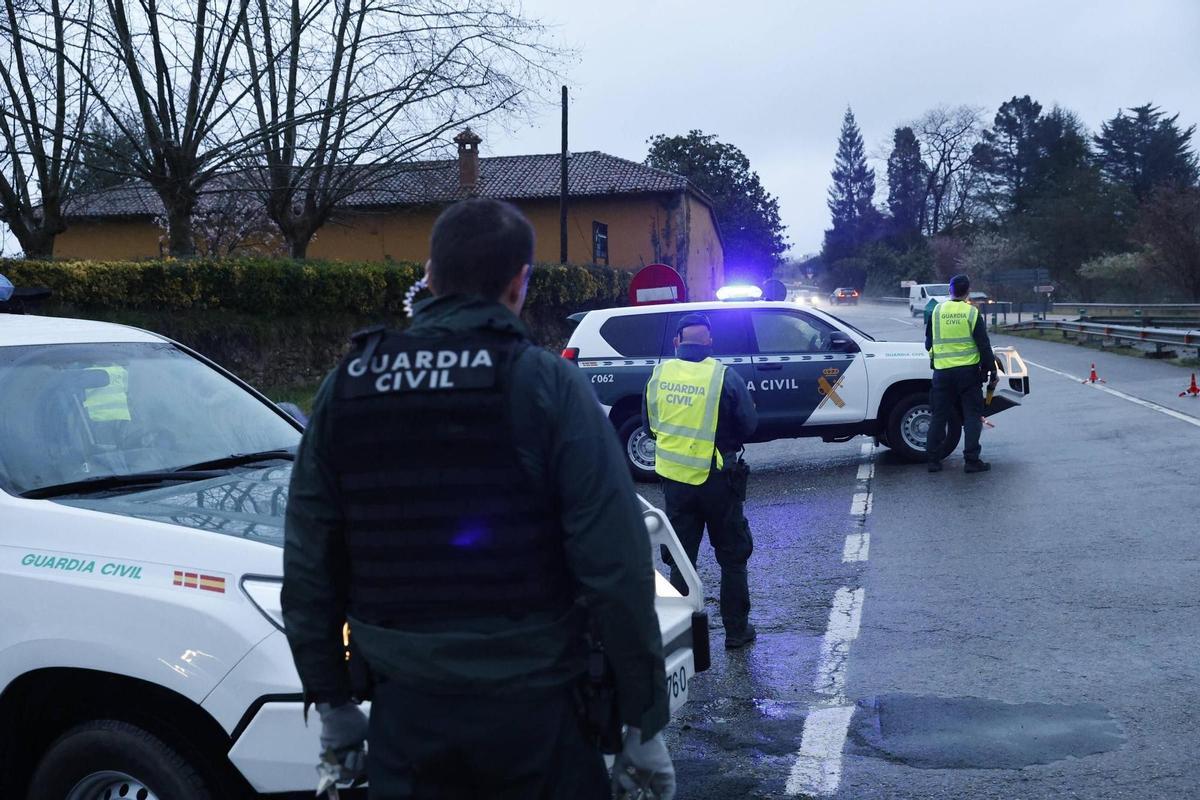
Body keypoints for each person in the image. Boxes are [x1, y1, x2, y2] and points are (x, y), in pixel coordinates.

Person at [282, 198, 675, 799]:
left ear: (429, 277)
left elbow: (309, 565)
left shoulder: (349, 387)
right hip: (538, 726)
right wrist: (643, 724)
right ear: (520, 284)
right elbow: (616, 568)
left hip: (405, 727)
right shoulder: (546, 386)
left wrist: (332, 705)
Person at [642, 313, 758, 649]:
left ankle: (683, 638)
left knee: (680, 558)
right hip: (718, 480)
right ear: (709, 343)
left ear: (677, 342)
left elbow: (650, 427)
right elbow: (749, 425)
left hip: (676, 484)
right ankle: (736, 632)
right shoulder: (724, 376)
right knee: (732, 556)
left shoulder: (658, 375)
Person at [925, 273, 997, 474]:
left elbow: (928, 344)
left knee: (939, 416)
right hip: (968, 374)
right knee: (972, 416)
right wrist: (991, 368)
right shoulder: (971, 313)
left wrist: (937, 359)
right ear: (967, 292)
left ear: (950, 290)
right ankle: (972, 461)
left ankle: (932, 460)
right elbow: (983, 344)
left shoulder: (937, 311)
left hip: (942, 373)